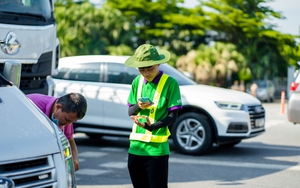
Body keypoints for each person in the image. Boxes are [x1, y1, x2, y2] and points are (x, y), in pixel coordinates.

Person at [125, 44, 182, 188]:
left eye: (149, 67)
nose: (145, 72)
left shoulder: (170, 83)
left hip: (157, 152)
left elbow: (173, 117)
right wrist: (138, 106)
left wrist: (152, 127)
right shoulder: (136, 82)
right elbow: (130, 112)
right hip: (135, 149)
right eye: (141, 68)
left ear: (158, 63)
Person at [27, 92, 87, 172]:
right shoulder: (32, 104)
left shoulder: (66, 117)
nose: (68, 124)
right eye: (67, 120)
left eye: (72, 122)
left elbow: (70, 139)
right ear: (58, 107)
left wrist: (74, 158)